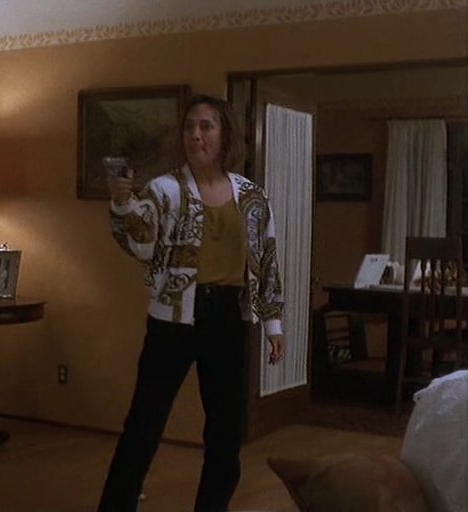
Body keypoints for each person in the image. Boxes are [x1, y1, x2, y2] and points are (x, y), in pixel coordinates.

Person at [97, 94, 285, 512]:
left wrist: (273, 323)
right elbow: (141, 246)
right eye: (189, 127)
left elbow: (265, 259)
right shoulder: (164, 190)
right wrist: (123, 204)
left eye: (206, 127)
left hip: (228, 318)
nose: (195, 135)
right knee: (144, 424)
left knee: (226, 432)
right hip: (173, 319)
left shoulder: (251, 196)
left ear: (225, 135)